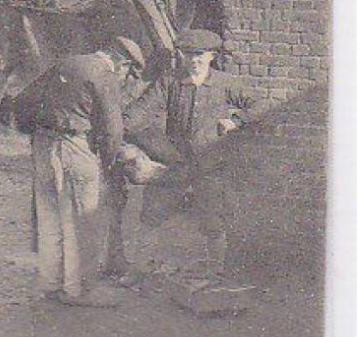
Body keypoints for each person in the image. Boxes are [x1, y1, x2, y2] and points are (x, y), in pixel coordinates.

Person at [110, 28, 258, 280]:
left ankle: (215, 272)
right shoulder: (170, 82)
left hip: (211, 164)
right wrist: (116, 128)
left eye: (200, 55)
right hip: (175, 163)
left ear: (212, 56)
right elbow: (142, 111)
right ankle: (141, 269)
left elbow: (257, 106)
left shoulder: (225, 83)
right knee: (151, 214)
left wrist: (236, 121)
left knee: (213, 220)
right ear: (181, 55)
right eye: (188, 55)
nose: (194, 61)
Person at [14, 36, 145, 308]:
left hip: (43, 144)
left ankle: (49, 284)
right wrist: (108, 162)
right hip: (76, 146)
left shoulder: (65, 63)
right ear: (122, 63)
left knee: (50, 218)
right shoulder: (104, 74)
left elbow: (23, 100)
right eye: (128, 73)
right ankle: (79, 290)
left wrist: (37, 132)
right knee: (83, 220)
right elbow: (112, 129)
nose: (124, 78)